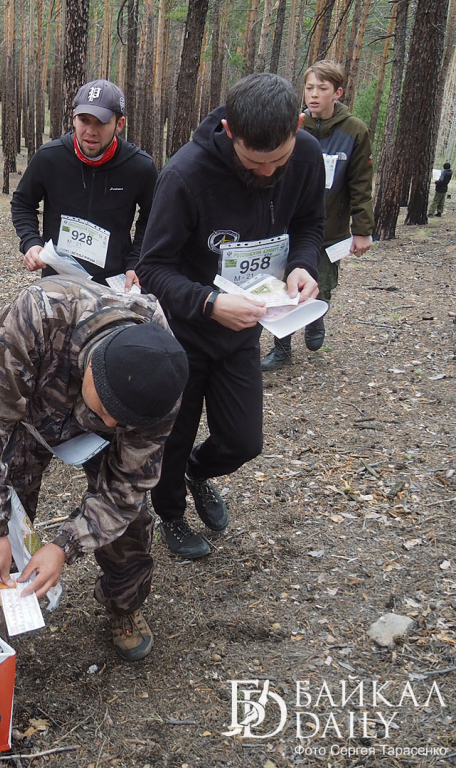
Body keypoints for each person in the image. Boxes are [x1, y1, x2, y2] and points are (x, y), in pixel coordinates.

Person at [136, 73, 323, 560]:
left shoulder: (305, 155)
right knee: (173, 437)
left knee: (243, 440)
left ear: (297, 126)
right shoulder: (186, 175)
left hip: (245, 327)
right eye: (253, 162)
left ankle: (201, 472)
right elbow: (152, 267)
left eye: (277, 162)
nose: (267, 174)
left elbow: (308, 222)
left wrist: (303, 264)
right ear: (228, 130)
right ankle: (171, 514)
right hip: (184, 331)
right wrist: (209, 303)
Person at [0, 276, 187, 661]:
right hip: (30, 415)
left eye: (124, 420)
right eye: (105, 410)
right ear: (91, 369)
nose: (112, 424)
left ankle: (124, 605)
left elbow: (126, 486)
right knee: (6, 517)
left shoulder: (161, 380)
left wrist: (63, 547)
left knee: (130, 526)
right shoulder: (39, 314)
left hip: (93, 442)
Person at [262, 60, 372, 370]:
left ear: (337, 92)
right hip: (286, 225)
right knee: (283, 285)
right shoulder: (293, 125)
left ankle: (316, 318)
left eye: (321, 89)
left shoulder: (355, 131)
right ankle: (281, 348)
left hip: (329, 229)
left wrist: (362, 229)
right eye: (309, 88)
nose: (314, 95)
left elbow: (361, 183)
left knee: (320, 283)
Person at [12, 79, 157, 288]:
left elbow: (152, 217)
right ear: (73, 119)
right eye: (84, 120)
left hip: (113, 281)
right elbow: (23, 203)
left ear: (119, 124)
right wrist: (31, 242)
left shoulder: (139, 166)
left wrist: (135, 262)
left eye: (101, 122)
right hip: (58, 278)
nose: (90, 131)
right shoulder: (49, 158)